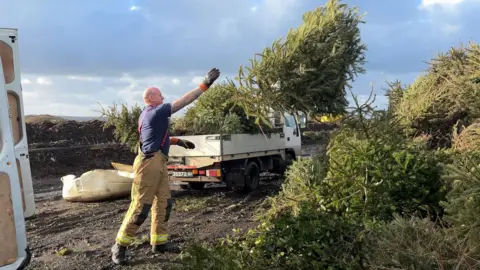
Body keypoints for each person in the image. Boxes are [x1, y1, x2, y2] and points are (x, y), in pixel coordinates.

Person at [111, 68, 221, 265]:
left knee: (164, 202)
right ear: (152, 98)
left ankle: (159, 243)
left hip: (158, 161)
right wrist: (205, 85)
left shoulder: (148, 114)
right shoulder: (157, 111)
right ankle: (120, 246)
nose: (164, 97)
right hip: (149, 165)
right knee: (141, 207)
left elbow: (155, 138)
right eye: (161, 95)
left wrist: (177, 141)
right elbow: (184, 102)